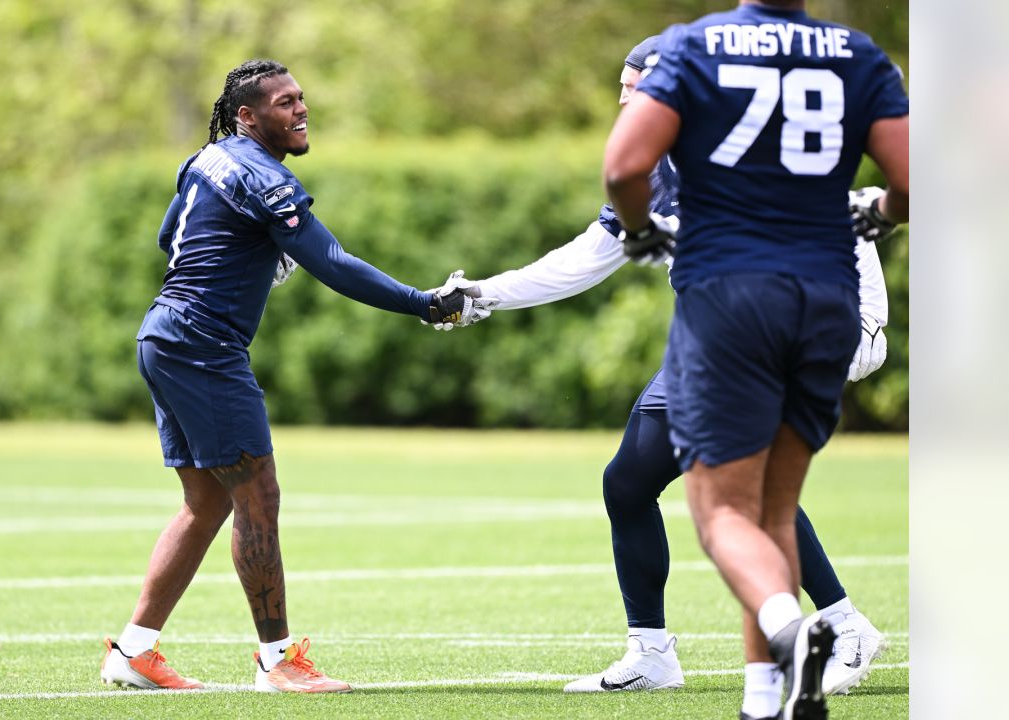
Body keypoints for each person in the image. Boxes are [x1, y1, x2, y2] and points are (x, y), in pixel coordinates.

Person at [433, 35, 892, 714]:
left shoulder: (746, 140)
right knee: (631, 482)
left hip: (804, 323)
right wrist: (487, 294)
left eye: (636, 84)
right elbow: (587, 257)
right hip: (716, 336)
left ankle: (844, 629)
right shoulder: (652, 166)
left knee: (751, 489)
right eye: (621, 85)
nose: (623, 98)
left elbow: (852, 216)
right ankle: (651, 653)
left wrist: (862, 326)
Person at [99, 59, 494, 694]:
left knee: (205, 504)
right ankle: (276, 660)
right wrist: (424, 303)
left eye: (301, 99)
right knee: (259, 495)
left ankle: (134, 651)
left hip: (164, 334)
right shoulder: (263, 175)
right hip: (202, 344)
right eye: (285, 103)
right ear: (247, 116)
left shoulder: (210, 157)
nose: (301, 110)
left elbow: (168, 234)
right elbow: (332, 262)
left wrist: (238, 251)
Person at [602, 3, 908, 718]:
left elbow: (625, 164)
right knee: (774, 507)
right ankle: (762, 699)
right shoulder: (855, 53)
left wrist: (642, 231)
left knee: (722, 510)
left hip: (733, 298)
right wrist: (885, 214)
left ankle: (792, 630)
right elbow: (914, 175)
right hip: (827, 300)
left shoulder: (694, 46)